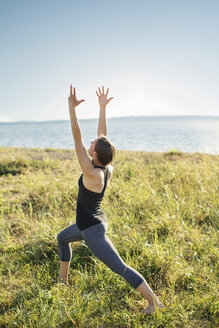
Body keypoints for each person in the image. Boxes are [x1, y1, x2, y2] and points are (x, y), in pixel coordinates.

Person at [57, 85, 164, 315]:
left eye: (93, 145)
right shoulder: (106, 168)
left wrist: (71, 110)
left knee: (119, 267)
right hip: (91, 222)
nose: (92, 142)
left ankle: (155, 303)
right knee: (62, 238)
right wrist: (102, 108)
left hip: (92, 231)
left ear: (94, 155)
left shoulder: (91, 172)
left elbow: (77, 139)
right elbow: (103, 137)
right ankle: (62, 283)